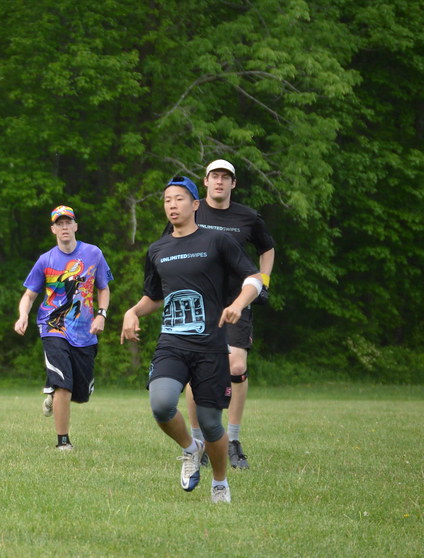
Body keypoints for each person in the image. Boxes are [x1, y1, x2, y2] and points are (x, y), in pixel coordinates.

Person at [120, 175, 263, 503]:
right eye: (168, 199)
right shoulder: (158, 249)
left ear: (195, 204)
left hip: (211, 346)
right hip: (172, 342)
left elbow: (254, 278)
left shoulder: (217, 241)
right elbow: (153, 296)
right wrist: (132, 313)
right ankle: (189, 448)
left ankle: (219, 482)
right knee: (161, 404)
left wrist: (239, 304)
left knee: (212, 424)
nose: (172, 205)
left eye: (180, 199)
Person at [181, 159, 274, 470]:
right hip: (197, 302)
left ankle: (232, 439)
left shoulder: (247, 217)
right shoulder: (192, 211)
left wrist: (262, 281)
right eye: (214, 177)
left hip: (236, 301)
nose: (219, 182)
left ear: (233, 184)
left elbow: (267, 247)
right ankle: (198, 443)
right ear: (205, 182)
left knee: (236, 363)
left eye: (226, 178)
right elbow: (172, 246)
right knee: (195, 369)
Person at [14, 205, 113, 451]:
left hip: (84, 332)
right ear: (53, 229)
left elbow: (103, 287)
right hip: (52, 326)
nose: (64, 227)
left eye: (68, 222)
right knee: (63, 385)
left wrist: (101, 315)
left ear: (76, 226)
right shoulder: (45, 260)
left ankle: (53, 396)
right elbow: (29, 295)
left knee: (80, 395)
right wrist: (22, 315)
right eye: (59, 223)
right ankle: (63, 442)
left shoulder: (93, 254)